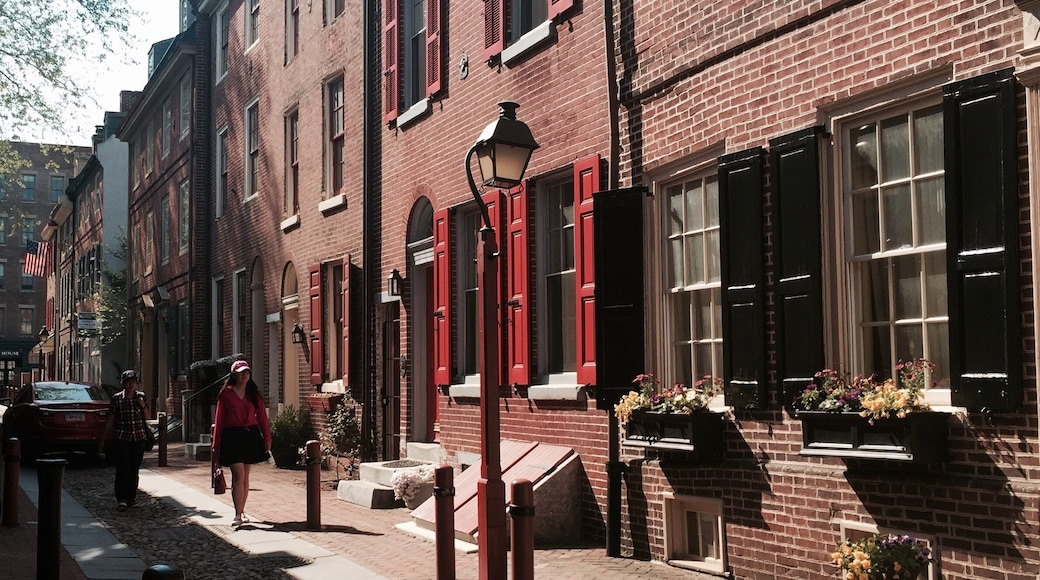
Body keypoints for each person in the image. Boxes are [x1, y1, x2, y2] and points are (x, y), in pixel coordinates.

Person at [212, 359, 272, 527]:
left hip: (249, 435)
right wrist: (216, 444)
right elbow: (219, 419)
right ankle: (237, 514)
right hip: (231, 435)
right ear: (234, 375)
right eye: (241, 372)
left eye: (247, 372)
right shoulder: (226, 394)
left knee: (245, 475)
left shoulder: (254, 393)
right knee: (238, 474)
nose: (245, 375)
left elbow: (262, 417)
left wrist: (267, 438)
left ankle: (242, 510)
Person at [100, 369, 151, 509]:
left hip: (138, 437)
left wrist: (142, 405)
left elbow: (147, 416)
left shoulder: (141, 396)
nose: (131, 385)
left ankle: (131, 498)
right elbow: (111, 419)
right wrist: (103, 439)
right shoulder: (117, 399)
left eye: (133, 382)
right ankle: (121, 498)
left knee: (134, 469)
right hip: (122, 437)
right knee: (123, 468)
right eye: (128, 382)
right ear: (123, 384)